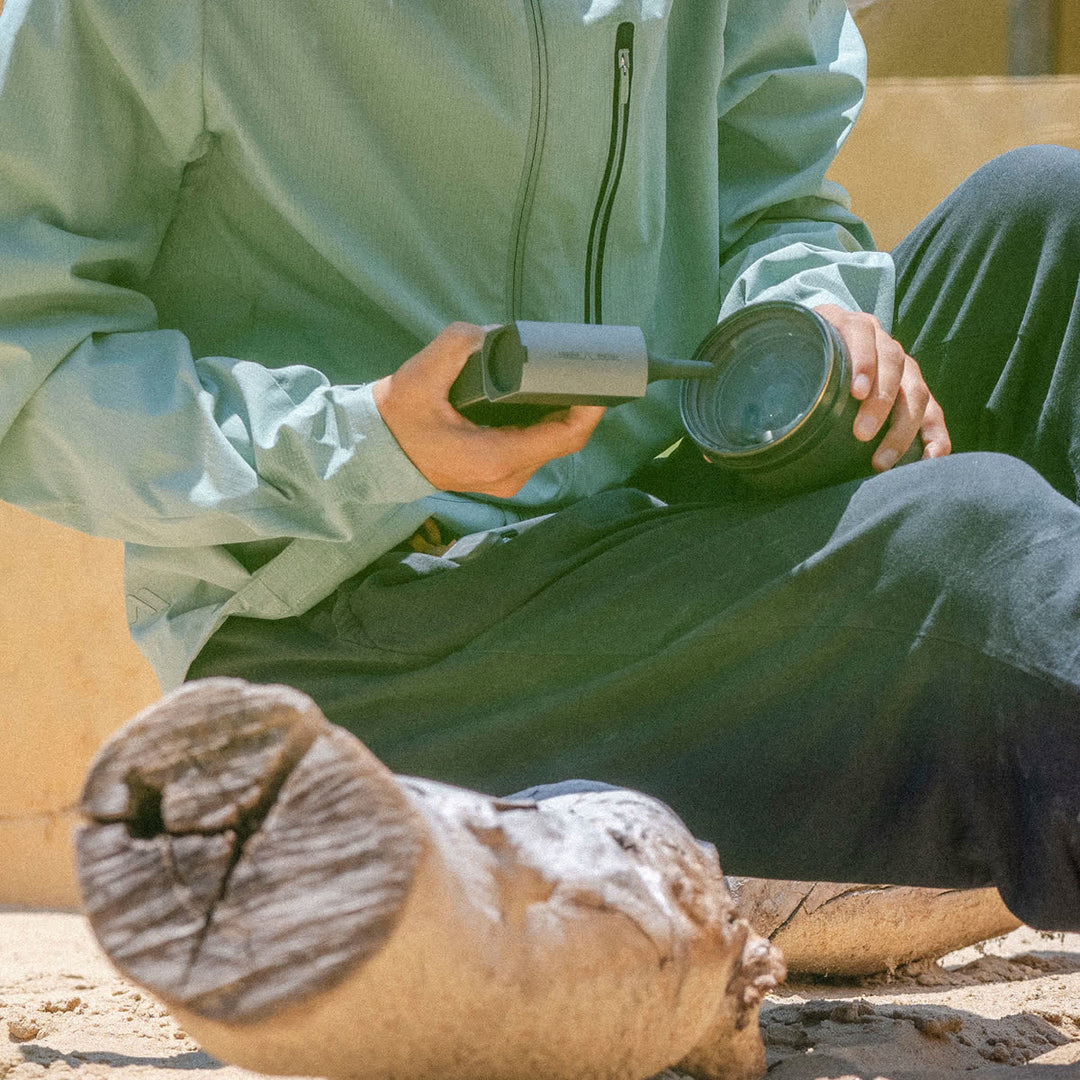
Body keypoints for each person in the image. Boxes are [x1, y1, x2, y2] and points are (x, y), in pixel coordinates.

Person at [1, 0, 1079, 937]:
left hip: (651, 520)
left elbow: (774, 199)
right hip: (358, 635)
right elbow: (26, 352)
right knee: (966, 543)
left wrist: (807, 325)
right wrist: (367, 437)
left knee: (1046, 215)